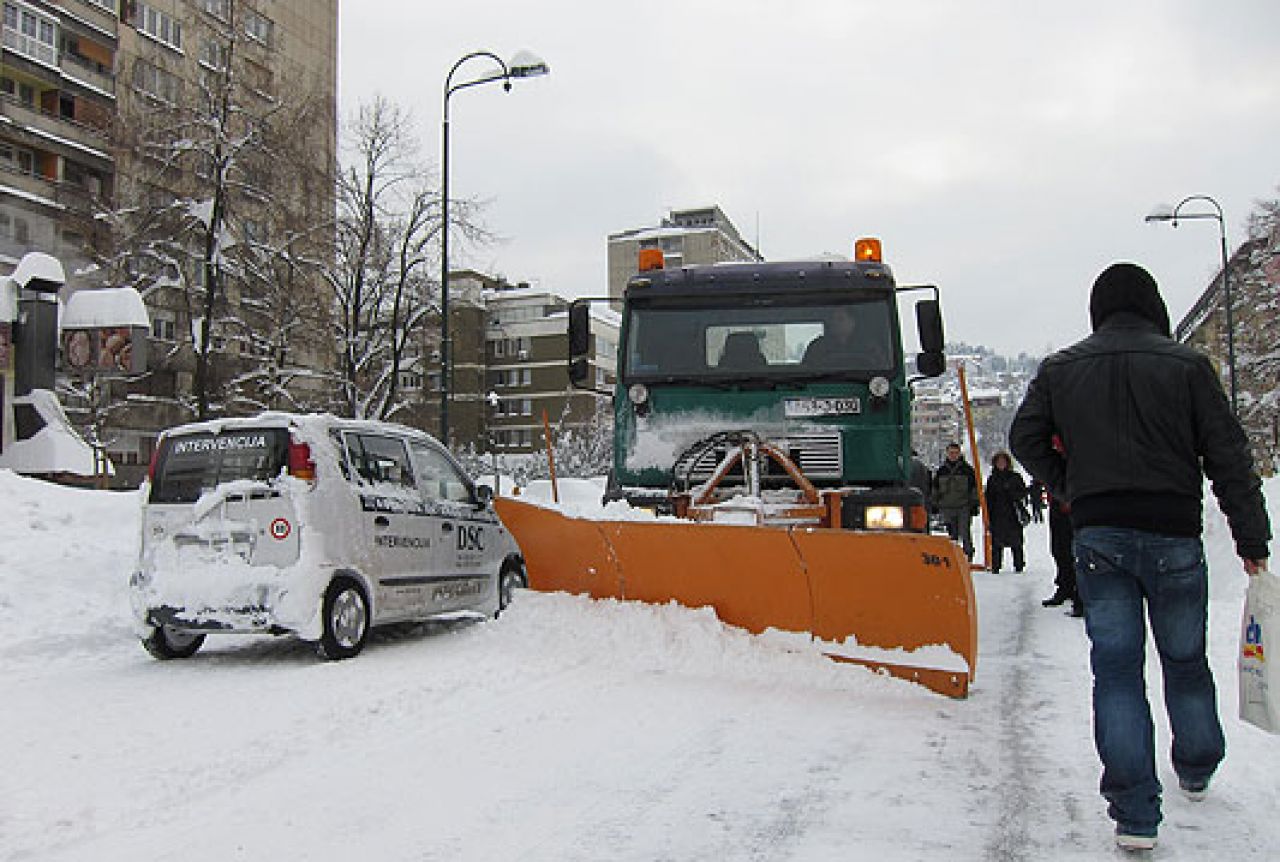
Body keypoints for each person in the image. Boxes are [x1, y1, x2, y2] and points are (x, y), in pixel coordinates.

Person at [1010, 262, 1271, 853]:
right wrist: (1250, 538)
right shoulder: (1187, 366)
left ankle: (1134, 811)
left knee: (1117, 670)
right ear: (1153, 305)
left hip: (1100, 536)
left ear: (1097, 309)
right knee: (1184, 658)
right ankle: (1197, 763)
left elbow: (1023, 439)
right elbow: (1230, 457)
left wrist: (1071, 487)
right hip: (1174, 532)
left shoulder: (1061, 370)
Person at [931, 442, 978, 560]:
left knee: (965, 533)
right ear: (947, 454)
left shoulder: (967, 470)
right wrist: (934, 503)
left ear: (959, 453)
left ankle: (968, 556)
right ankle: (953, 558)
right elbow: (935, 489)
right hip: (946, 507)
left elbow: (974, 489)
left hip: (963, 507)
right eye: (951, 453)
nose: (953, 455)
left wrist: (974, 504)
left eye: (955, 453)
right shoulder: (941, 471)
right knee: (952, 535)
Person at [984, 451, 1027, 573]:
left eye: (1003, 461)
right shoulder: (992, 479)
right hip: (997, 514)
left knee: (1016, 542)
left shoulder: (1015, 477)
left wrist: (1012, 492)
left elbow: (1023, 493)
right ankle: (996, 565)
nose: (1001, 464)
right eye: (998, 462)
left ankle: (1019, 565)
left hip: (1013, 513)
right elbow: (988, 497)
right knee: (996, 542)